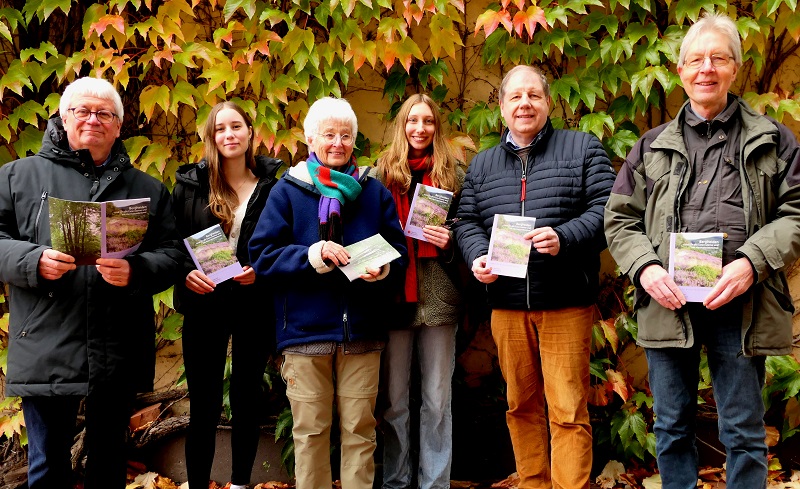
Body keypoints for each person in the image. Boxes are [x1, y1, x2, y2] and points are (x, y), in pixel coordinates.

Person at [604, 12, 800, 489]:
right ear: (681, 71)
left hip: (742, 305)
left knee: (744, 431)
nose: (705, 68)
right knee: (670, 428)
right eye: (695, 59)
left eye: (717, 58)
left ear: (735, 68)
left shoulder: (774, 140)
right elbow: (620, 218)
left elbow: (796, 212)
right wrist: (646, 269)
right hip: (668, 303)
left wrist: (752, 263)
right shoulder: (650, 147)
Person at [0, 77, 182, 489]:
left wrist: (136, 271)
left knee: (109, 463)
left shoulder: (147, 188)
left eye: (104, 113)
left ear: (118, 126)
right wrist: (33, 261)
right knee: (46, 466)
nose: (92, 119)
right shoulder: (17, 177)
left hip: (117, 347)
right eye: (82, 110)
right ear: (64, 118)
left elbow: (173, 253)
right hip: (46, 339)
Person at [454, 65, 615, 489]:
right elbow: (466, 221)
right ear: (503, 107)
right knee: (520, 405)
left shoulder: (582, 148)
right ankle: (533, 482)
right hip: (506, 305)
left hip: (565, 302)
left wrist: (565, 237)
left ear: (547, 102)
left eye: (534, 96)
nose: (524, 104)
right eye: (515, 97)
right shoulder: (484, 164)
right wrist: (476, 259)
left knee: (567, 409)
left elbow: (608, 210)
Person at [249, 97, 407, 489]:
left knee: (360, 432)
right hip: (304, 333)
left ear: (355, 141)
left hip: (362, 332)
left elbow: (399, 252)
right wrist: (311, 255)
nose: (338, 142)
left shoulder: (373, 191)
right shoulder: (287, 191)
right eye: (329, 134)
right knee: (311, 433)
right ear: (309, 138)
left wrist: (383, 269)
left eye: (346, 135)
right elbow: (262, 255)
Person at [171, 101, 284, 489]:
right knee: (202, 404)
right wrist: (185, 273)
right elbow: (171, 243)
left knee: (247, 399)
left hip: (253, 303)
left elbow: (284, 242)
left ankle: (239, 484)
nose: (229, 135)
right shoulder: (189, 185)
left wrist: (263, 272)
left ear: (250, 132)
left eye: (236, 126)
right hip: (204, 303)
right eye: (220, 129)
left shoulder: (273, 186)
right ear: (211, 137)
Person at [371, 94, 464, 489]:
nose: (420, 128)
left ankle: (435, 483)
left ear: (436, 127)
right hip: (393, 296)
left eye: (428, 121)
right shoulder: (379, 174)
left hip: (441, 297)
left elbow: (470, 231)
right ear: (401, 126)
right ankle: (395, 480)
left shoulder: (454, 175)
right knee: (393, 402)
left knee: (437, 401)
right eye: (412, 120)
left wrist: (449, 241)